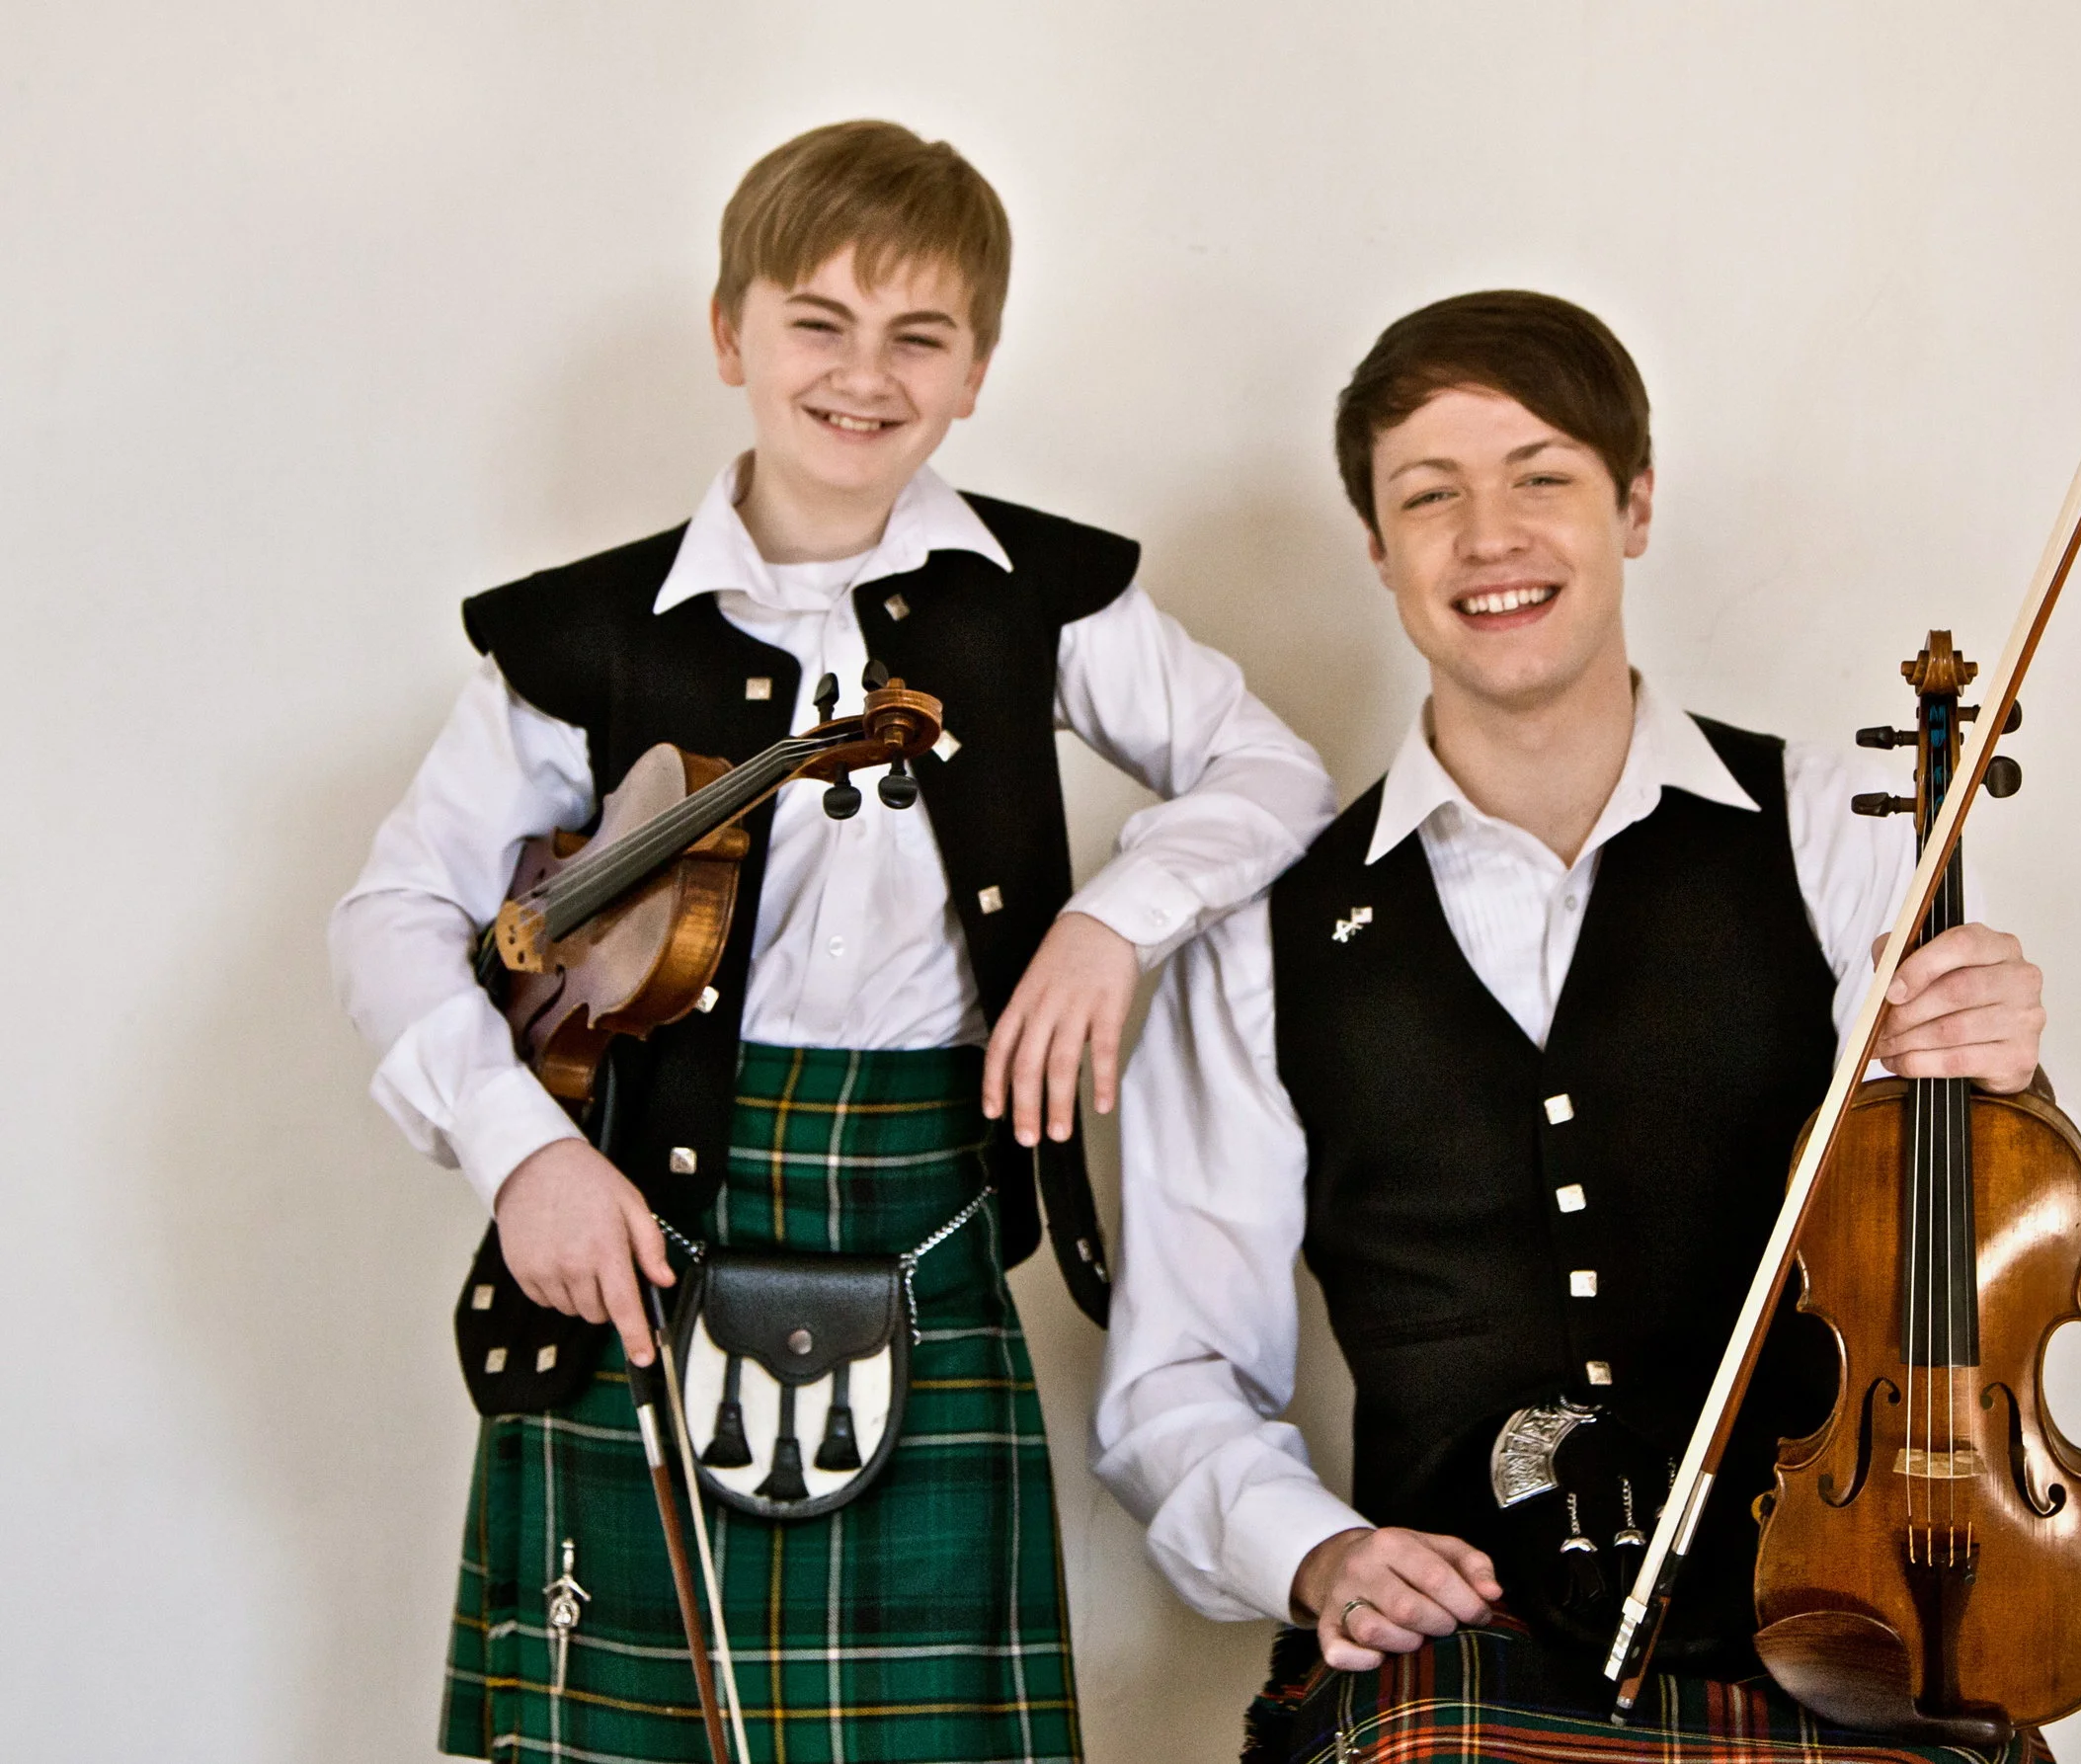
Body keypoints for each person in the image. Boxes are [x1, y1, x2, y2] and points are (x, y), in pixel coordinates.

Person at [331, 120, 1332, 1764]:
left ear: (975, 371)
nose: (865, 374)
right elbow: (393, 916)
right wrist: (523, 1156)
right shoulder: (583, 634)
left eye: (918, 336)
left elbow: (1271, 770)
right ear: (731, 335)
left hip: (925, 1225)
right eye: (819, 321)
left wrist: (1111, 919)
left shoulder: (1038, 597)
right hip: (643, 1230)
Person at [1094, 290, 2081, 1763]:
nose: (1489, 536)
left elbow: (2035, 1262)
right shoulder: (1270, 924)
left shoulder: (1832, 826)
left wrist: (2005, 1078)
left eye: (1543, 476)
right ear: (1379, 552)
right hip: (1471, 1655)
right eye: (1429, 496)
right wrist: (1314, 1552)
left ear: (1635, 505)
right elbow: (1175, 1372)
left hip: (1845, 1613)